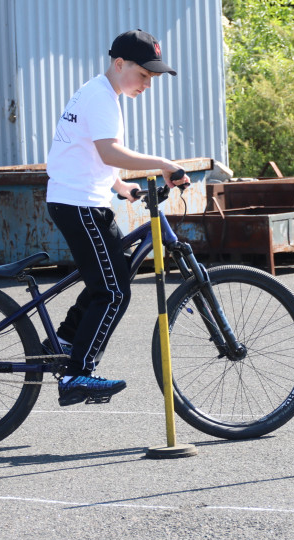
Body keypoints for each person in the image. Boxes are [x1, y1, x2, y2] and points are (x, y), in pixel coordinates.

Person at [45, 29, 189, 407]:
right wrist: (161, 164)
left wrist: (120, 186)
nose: (148, 85)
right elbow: (110, 151)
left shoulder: (99, 92)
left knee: (112, 276)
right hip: (79, 205)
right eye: (144, 75)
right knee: (113, 291)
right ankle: (78, 373)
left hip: (84, 201)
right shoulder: (101, 97)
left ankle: (61, 342)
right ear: (119, 64)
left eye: (152, 79)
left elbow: (90, 153)